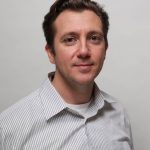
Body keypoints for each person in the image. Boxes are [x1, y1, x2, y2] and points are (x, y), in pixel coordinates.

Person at [0, 0, 134, 149]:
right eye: (70, 39)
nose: (84, 51)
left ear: (105, 49)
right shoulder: (8, 128)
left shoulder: (118, 114)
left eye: (94, 38)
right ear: (51, 52)